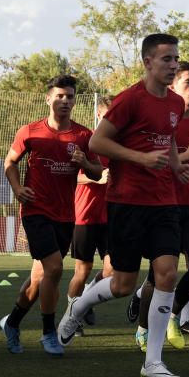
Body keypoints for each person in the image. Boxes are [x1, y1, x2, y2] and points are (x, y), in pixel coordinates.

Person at [57, 33, 189, 377]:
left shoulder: (176, 105)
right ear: (148, 62)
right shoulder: (130, 100)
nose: (173, 65)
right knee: (121, 285)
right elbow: (97, 141)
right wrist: (140, 158)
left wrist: (177, 166)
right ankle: (80, 304)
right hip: (126, 203)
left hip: (164, 204)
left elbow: (170, 142)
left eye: (175, 58)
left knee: (167, 273)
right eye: (166, 59)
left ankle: (153, 362)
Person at [0, 75, 103, 355]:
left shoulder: (83, 136)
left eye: (69, 96)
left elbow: (97, 171)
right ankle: (48, 333)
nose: (65, 101)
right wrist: (18, 188)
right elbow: (9, 163)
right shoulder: (30, 132)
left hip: (66, 215)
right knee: (55, 268)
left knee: (38, 279)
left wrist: (84, 163)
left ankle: (12, 323)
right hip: (36, 211)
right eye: (59, 96)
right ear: (48, 99)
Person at [133, 62, 189, 350]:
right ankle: (144, 329)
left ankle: (172, 312)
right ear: (173, 85)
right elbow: (155, 161)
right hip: (164, 205)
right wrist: (185, 155)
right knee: (159, 273)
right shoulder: (161, 118)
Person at [67, 96, 114, 330]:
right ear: (98, 115)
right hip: (84, 215)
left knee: (112, 269)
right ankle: (71, 317)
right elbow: (72, 173)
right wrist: (97, 178)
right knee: (82, 269)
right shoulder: (88, 140)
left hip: (109, 216)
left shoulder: (118, 146)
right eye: (108, 114)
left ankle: (85, 299)